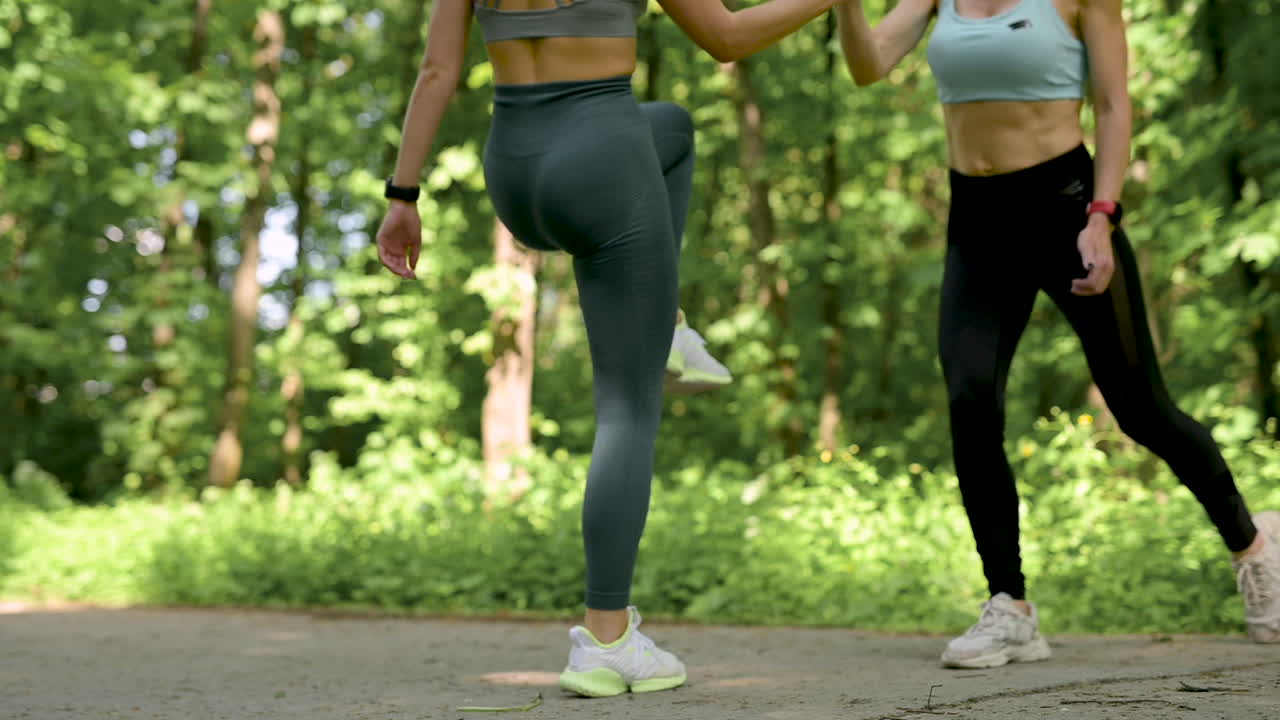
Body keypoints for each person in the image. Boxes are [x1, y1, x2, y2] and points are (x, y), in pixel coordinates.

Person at [374, 0, 846, 697]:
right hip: (601, 163)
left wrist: (403, 195)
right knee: (627, 410)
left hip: (516, 171)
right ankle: (606, 639)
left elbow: (439, 69)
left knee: (673, 128)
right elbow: (725, 36)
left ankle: (669, 326)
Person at [835, 0, 1280, 668]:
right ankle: (1009, 605)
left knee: (1141, 409)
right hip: (977, 224)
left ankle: (1254, 548)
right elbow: (868, 64)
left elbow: (1111, 104)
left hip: (1066, 210)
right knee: (969, 396)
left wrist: (1101, 217)